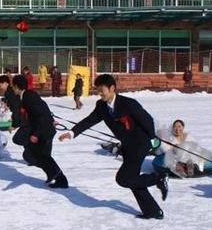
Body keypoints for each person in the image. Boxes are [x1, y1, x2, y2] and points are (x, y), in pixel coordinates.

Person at [59, 74, 168, 220]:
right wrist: (72, 132)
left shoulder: (128, 103)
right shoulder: (101, 106)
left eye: (101, 90)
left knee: (123, 179)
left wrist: (151, 139)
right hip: (127, 146)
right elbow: (89, 120)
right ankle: (153, 211)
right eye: (97, 91)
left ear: (112, 88)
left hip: (140, 144)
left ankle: (158, 178)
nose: (99, 94)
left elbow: (147, 120)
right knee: (132, 179)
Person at [11, 75, 68, 188]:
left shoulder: (28, 96)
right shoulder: (28, 95)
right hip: (44, 129)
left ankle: (59, 178)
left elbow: (40, 114)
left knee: (35, 155)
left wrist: (35, 134)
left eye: (13, 86)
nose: (12, 89)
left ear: (17, 86)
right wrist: (51, 120)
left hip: (43, 131)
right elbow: (43, 107)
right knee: (36, 155)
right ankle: (55, 175)